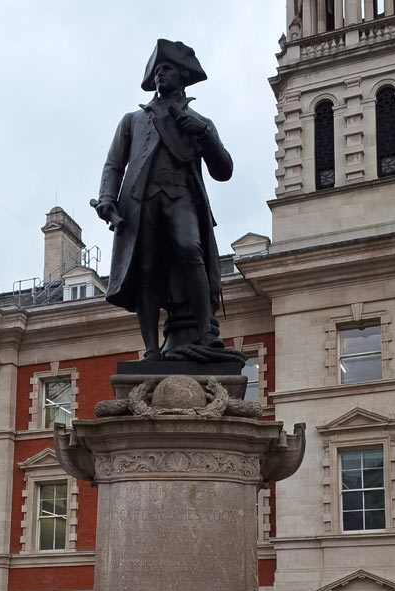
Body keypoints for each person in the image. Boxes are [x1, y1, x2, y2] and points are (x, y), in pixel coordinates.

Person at [93, 39, 235, 362]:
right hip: (141, 204)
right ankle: (152, 349)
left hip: (181, 197)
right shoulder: (133, 120)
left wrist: (205, 134)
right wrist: (106, 198)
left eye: (167, 69)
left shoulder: (199, 122)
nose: (160, 75)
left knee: (190, 250)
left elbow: (224, 170)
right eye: (157, 71)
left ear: (183, 76)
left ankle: (206, 333)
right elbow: (114, 164)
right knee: (146, 270)